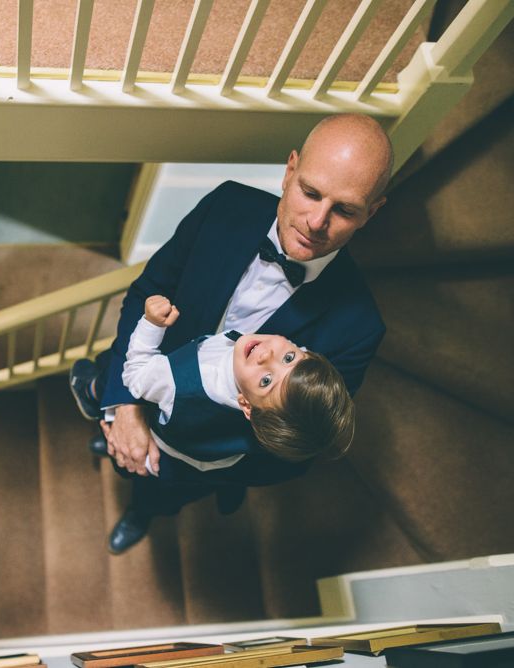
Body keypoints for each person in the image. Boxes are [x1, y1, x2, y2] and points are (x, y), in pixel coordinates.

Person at [70, 113, 392, 554]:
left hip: (194, 458)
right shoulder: (227, 205)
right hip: (139, 376)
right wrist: (124, 405)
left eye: (345, 210)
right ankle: (114, 446)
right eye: (310, 193)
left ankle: (143, 511)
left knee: (158, 492)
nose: (317, 222)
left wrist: (192, 462)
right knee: (117, 436)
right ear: (290, 170)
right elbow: (149, 288)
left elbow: (296, 445)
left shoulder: (359, 329)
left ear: (372, 214)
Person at [110, 294, 354, 472]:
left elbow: (134, 376)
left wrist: (151, 324)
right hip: (213, 453)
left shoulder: (175, 382)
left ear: (246, 406)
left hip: (169, 442)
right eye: (289, 357)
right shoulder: (284, 386)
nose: (267, 355)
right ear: (307, 353)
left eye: (266, 380)